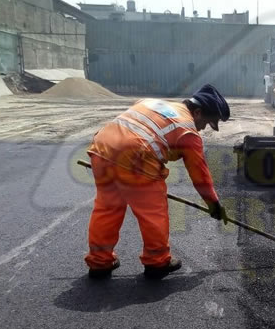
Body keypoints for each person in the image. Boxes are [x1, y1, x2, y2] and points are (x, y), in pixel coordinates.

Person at [84, 85, 230, 279]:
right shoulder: (188, 131)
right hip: (136, 158)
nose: (203, 128)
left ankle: (99, 262)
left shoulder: (153, 102)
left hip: (102, 149)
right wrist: (214, 204)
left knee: (107, 209)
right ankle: (157, 262)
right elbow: (200, 176)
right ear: (197, 111)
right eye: (206, 122)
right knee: (153, 212)